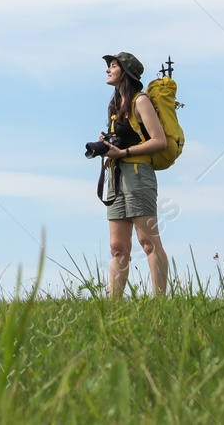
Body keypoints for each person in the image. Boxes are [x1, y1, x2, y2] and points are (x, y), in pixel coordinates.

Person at [97, 52, 170, 297]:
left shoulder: (140, 101)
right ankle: (113, 307)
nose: (108, 70)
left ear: (126, 72)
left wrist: (124, 151)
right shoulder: (117, 106)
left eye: (113, 66)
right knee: (117, 248)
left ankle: (160, 302)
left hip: (138, 175)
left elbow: (159, 141)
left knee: (148, 242)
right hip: (116, 176)